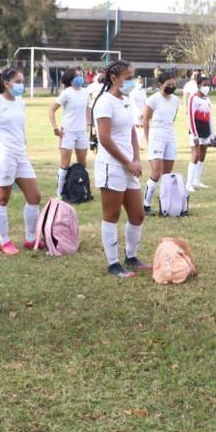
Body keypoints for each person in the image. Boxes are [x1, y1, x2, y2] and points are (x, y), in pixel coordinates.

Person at [91, 60, 149, 277]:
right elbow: (104, 138)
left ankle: (131, 256)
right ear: (114, 79)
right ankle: (113, 263)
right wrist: (127, 162)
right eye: (128, 76)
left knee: (137, 214)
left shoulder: (125, 101)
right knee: (111, 214)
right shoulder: (104, 102)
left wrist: (136, 158)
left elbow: (132, 132)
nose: (132, 81)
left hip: (129, 165)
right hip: (111, 165)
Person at [0, 67, 42, 255]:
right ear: (6, 84)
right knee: (2, 198)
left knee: (35, 197)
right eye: (19, 81)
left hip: (20, 154)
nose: (22, 85)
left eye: (22, 81)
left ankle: (30, 238)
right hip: (2, 155)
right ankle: (4, 241)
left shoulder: (20, 102)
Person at [47, 67, 91, 199]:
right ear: (70, 79)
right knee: (65, 164)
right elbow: (51, 110)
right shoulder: (66, 93)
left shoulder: (85, 92)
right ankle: (59, 192)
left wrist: (88, 124)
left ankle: (82, 190)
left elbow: (88, 109)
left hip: (81, 132)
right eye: (77, 76)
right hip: (68, 132)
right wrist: (55, 128)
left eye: (81, 75)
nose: (80, 78)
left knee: (82, 164)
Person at [142, 70, 180, 215]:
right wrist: (148, 140)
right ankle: (145, 204)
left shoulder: (176, 100)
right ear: (160, 85)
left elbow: (173, 118)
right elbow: (145, 121)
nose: (171, 87)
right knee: (156, 172)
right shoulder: (153, 100)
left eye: (173, 84)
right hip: (156, 136)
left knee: (167, 174)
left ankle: (166, 204)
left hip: (170, 135)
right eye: (168, 84)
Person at [186, 74, 216, 192]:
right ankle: (189, 183)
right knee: (195, 155)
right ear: (198, 86)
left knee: (203, 155)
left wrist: (212, 135)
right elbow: (191, 118)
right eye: (204, 85)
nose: (207, 87)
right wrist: (194, 135)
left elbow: (211, 118)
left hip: (206, 131)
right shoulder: (193, 99)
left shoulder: (208, 100)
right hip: (196, 131)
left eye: (208, 85)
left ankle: (196, 180)